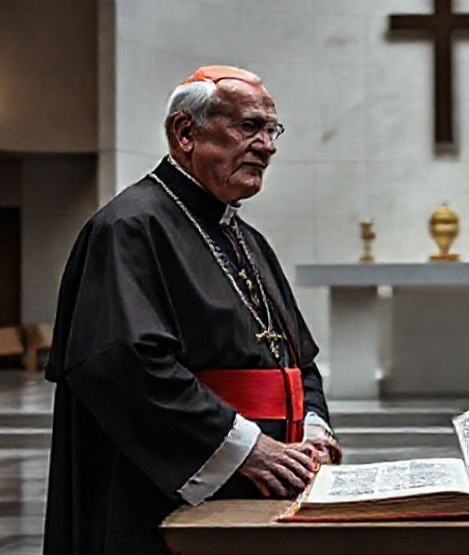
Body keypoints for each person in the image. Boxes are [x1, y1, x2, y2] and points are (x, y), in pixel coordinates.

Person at [43, 65, 341, 554]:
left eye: (271, 130)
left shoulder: (247, 239)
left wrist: (313, 432)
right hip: (167, 494)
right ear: (186, 132)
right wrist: (247, 449)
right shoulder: (128, 228)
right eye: (249, 127)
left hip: (271, 479)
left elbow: (298, 359)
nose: (268, 146)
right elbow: (126, 366)